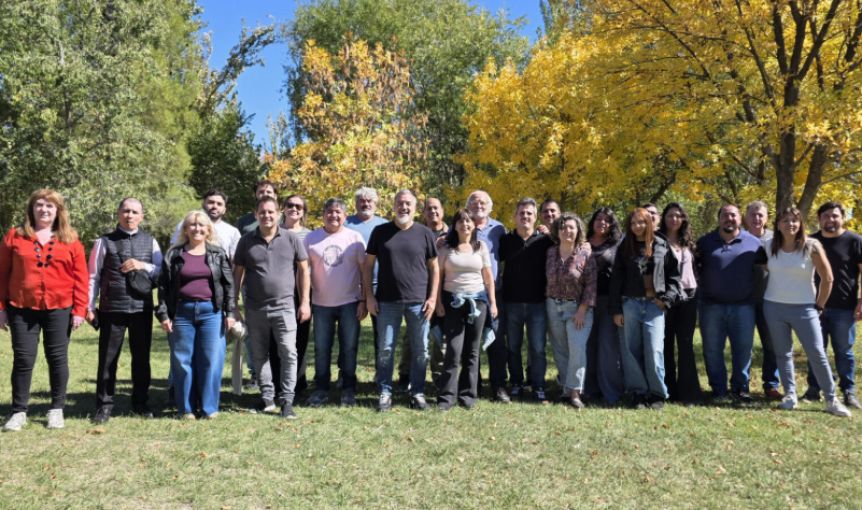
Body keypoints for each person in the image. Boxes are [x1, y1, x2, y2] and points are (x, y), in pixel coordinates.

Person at [0, 189, 89, 431]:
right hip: (21, 307)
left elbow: (81, 278)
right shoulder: (14, 236)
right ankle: (19, 412)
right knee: (23, 359)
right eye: (39, 205)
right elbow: (2, 274)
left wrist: (80, 309)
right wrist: (1, 308)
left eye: (50, 206)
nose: (44, 210)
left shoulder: (71, 240)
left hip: (59, 308)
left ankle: (56, 409)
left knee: (57, 358)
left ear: (58, 211)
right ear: (32, 209)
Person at [759, 207, 851, 417]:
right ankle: (790, 396)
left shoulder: (811, 246)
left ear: (800, 224)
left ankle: (831, 400)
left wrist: (819, 305)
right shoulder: (768, 245)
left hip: (805, 308)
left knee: (817, 353)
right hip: (773, 307)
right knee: (783, 353)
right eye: (785, 220)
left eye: (794, 220)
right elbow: (768, 268)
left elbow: (827, 278)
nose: (790, 224)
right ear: (778, 225)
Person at [233, 196, 310, 420]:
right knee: (259, 354)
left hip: (285, 307)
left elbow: (304, 270)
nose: (267, 215)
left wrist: (305, 302)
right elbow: (237, 274)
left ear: (278, 213)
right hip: (255, 308)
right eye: (262, 212)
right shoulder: (246, 241)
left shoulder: (291, 239)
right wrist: (233, 305)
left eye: (270, 212)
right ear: (256, 214)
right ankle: (267, 398)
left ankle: (287, 400)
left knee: (288, 353)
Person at [87, 198, 162, 424]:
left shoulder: (151, 241)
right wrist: (89, 306)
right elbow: (93, 276)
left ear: (142, 216)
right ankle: (104, 406)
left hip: (141, 308)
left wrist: (142, 265)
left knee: (141, 359)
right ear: (119, 213)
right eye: (126, 211)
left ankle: (140, 403)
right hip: (112, 308)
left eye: (134, 212)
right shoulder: (103, 242)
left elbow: (161, 272)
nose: (130, 215)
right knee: (108, 360)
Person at [363, 190, 439, 411]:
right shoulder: (380, 232)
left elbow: (435, 268)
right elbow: (367, 266)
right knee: (385, 349)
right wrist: (369, 297)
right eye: (400, 203)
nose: (403, 207)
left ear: (415, 208)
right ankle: (385, 392)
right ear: (393, 205)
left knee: (421, 350)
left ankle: (417, 392)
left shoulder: (425, 233)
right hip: (387, 301)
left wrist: (433, 297)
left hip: (419, 302)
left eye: (408, 204)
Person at [156, 211, 235, 419]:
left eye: (201, 225)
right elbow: (163, 287)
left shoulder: (218, 253)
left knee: (211, 360)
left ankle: (209, 408)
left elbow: (228, 285)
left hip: (212, 313)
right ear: (185, 229)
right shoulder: (174, 254)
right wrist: (163, 315)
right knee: (182, 362)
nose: (197, 228)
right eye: (192, 224)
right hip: (182, 313)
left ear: (208, 229)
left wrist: (231, 312)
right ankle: (186, 409)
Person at [609, 208, 681, 409]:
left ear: (649, 223)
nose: (637, 227)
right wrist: (616, 309)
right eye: (633, 223)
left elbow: (674, 276)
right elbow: (616, 279)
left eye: (641, 222)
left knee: (654, 349)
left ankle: (657, 394)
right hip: (630, 304)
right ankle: (638, 392)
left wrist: (666, 299)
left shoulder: (661, 245)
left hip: (653, 306)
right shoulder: (625, 246)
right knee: (631, 351)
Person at [303, 198, 366, 407]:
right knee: (322, 349)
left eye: (338, 212)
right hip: (321, 303)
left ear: (345, 216)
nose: (334, 215)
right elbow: (303, 272)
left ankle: (348, 389)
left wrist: (364, 299)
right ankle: (321, 389)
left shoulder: (354, 238)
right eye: (329, 211)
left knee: (349, 348)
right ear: (323, 214)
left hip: (350, 302)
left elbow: (364, 271)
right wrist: (305, 301)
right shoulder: (311, 238)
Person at [696, 204, 761, 404]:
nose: (729, 218)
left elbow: (764, 271)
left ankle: (741, 389)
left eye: (733, 215)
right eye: (725, 215)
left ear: (740, 219)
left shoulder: (754, 243)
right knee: (712, 350)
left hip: (744, 306)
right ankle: (719, 389)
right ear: (719, 219)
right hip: (711, 306)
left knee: (743, 350)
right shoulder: (705, 242)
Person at [436, 209, 497, 410]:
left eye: (469, 221)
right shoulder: (446, 248)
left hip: (477, 303)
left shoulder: (481, 247)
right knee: (453, 351)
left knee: (472, 351)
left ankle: (468, 395)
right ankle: (447, 397)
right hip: (453, 302)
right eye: (461, 221)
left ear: (474, 225)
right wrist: (438, 302)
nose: (465, 225)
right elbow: (438, 277)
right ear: (455, 225)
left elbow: (488, 277)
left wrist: (493, 303)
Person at [807, 201, 862, 409]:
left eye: (835, 216)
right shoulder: (811, 241)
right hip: (814, 306)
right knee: (815, 350)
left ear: (843, 218)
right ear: (819, 219)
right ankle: (813, 389)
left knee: (844, 352)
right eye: (826, 216)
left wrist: (861, 301)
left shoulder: (854, 241)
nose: (830, 220)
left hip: (844, 307)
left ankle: (848, 391)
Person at [500, 197, 553, 402]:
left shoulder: (544, 241)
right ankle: (516, 383)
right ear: (515, 216)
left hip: (537, 303)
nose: (525, 216)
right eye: (521, 213)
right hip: (511, 302)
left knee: (537, 348)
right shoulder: (505, 240)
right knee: (513, 347)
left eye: (529, 213)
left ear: (535, 217)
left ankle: (538, 385)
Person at [545, 213, 597, 409]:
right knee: (560, 349)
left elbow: (591, 284)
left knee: (577, 348)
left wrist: (582, 310)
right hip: (552, 306)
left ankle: (575, 392)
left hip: (577, 308)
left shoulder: (585, 252)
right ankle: (566, 390)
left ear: (578, 231)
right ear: (557, 231)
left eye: (571, 227)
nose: (567, 231)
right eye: (563, 227)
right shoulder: (551, 252)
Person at [396, 197, 448, 390]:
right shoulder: (414, 232)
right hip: (417, 290)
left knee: (441, 336)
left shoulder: (453, 233)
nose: (433, 212)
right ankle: (405, 374)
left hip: (445, 292)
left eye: (436, 208)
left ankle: (438, 375)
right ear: (423, 213)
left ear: (442, 211)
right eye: (429, 209)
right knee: (412, 335)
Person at [465, 190, 509, 402]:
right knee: (470, 342)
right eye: (474, 202)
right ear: (468, 206)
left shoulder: (499, 229)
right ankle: (472, 386)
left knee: (497, 341)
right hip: (467, 293)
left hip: (493, 293)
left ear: (490, 206)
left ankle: (499, 385)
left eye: (482, 202)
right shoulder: (461, 225)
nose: (478, 205)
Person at [658, 203, 703, 404]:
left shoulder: (689, 242)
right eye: (670, 215)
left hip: (689, 297)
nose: (674, 219)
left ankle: (689, 392)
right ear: (664, 218)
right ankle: (668, 390)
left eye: (678, 216)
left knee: (685, 344)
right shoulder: (657, 241)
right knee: (665, 343)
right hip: (667, 298)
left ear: (683, 219)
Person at [582, 207, 624, 405]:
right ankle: (590, 390)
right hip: (584, 302)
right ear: (593, 221)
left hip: (608, 301)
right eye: (598, 219)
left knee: (608, 347)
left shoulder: (617, 244)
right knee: (588, 346)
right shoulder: (582, 242)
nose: (602, 222)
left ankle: (611, 393)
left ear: (612, 224)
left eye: (607, 220)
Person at [345, 187, 388, 369]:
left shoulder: (384, 225)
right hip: (352, 287)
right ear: (356, 203)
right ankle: (346, 374)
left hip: (381, 287)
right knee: (348, 337)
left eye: (369, 201)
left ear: (376, 203)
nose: (366, 204)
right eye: (362, 200)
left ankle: (381, 374)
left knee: (382, 335)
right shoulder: (345, 223)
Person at [743, 200, 781, 400]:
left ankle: (771, 384)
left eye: (760, 215)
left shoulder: (776, 240)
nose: (756, 218)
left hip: (770, 300)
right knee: (743, 345)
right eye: (753, 214)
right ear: (746, 217)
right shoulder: (739, 238)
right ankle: (742, 384)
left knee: (772, 344)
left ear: (766, 218)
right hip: (744, 301)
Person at [280, 194, 312, 398]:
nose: (294, 209)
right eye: (290, 205)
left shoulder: (310, 235)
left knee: (300, 339)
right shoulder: (274, 231)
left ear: (303, 212)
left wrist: (306, 299)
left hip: (302, 292)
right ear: (283, 208)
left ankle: (299, 382)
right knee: (278, 339)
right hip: (279, 292)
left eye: (299, 206)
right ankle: (278, 381)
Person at [170, 189, 241, 258]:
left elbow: (234, 261)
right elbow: (173, 251)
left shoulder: (233, 232)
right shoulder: (186, 225)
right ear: (203, 205)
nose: (215, 206)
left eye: (219, 204)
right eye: (211, 202)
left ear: (224, 210)